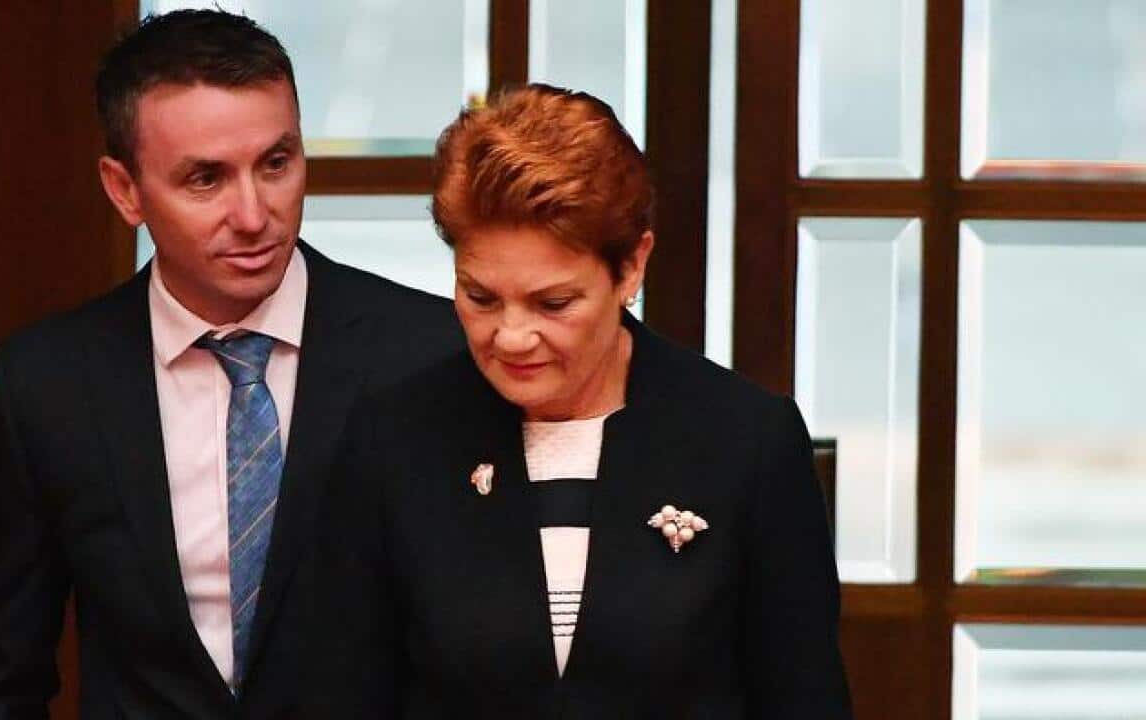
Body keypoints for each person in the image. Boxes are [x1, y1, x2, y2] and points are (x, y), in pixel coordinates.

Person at [0, 9, 461, 719]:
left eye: (276, 163)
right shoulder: (48, 385)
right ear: (125, 191)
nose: (254, 214)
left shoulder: (430, 352)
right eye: (205, 179)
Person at [301, 84, 852, 718]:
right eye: (480, 297)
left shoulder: (744, 441)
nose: (511, 336)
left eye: (553, 303)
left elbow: (803, 698)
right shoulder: (395, 441)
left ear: (631, 268)